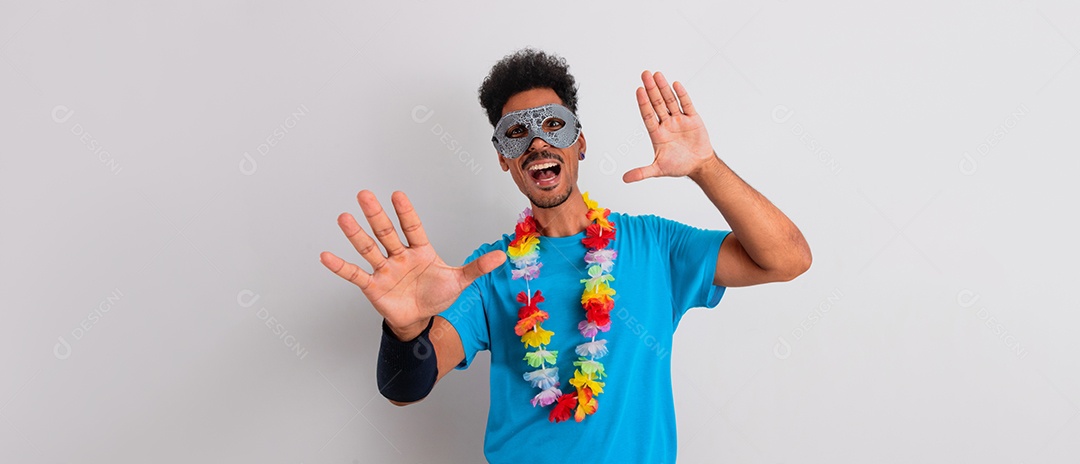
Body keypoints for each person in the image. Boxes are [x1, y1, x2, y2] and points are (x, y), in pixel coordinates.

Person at [319, 49, 811, 463]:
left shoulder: (656, 246)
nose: (537, 141)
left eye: (554, 125)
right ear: (503, 157)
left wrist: (705, 167)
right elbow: (407, 386)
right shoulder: (490, 269)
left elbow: (787, 259)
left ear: (579, 143)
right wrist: (405, 330)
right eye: (517, 133)